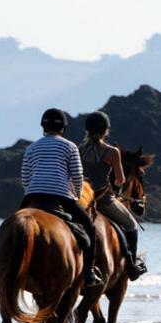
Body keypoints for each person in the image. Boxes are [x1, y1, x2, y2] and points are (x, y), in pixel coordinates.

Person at [20, 108, 104, 287]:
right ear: (63, 128)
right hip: (61, 195)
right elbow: (77, 175)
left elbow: (26, 177)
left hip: (33, 195)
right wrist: (77, 194)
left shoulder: (31, 148)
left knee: (14, 226)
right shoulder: (69, 146)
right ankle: (89, 273)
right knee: (89, 227)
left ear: (42, 126)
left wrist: (32, 191)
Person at [79, 111, 148, 281]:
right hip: (104, 200)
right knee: (131, 225)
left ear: (87, 130)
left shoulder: (78, 149)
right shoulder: (111, 152)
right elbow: (119, 180)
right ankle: (131, 267)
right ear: (106, 131)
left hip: (82, 199)